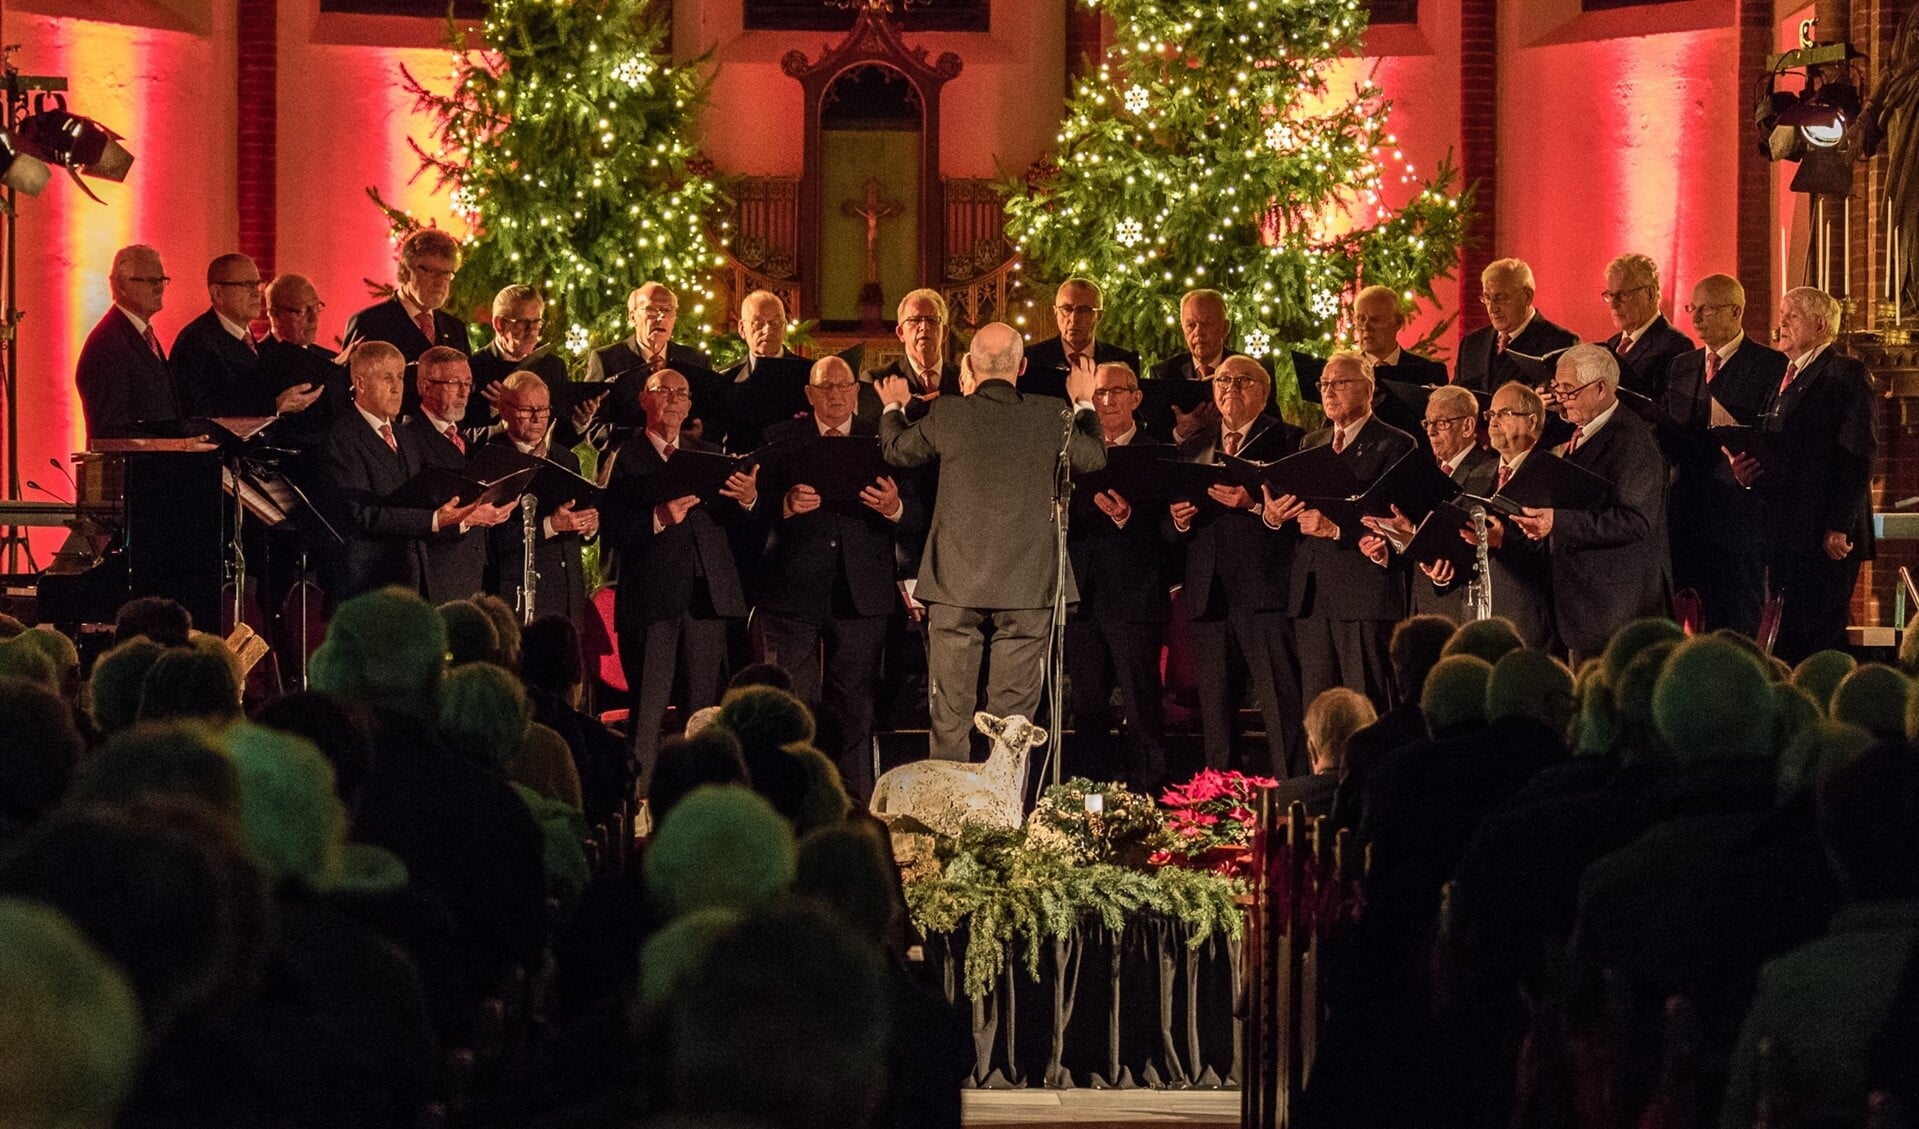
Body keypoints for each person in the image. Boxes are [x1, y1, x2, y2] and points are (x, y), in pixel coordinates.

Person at [876, 322, 1105, 762]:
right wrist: (1083, 400)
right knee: (1012, 722)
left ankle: (948, 819)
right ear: (1021, 367)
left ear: (969, 366)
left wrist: (892, 407)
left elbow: (897, 450)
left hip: (955, 582)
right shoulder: (1050, 413)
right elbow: (1093, 456)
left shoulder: (948, 413)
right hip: (1027, 584)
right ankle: (1003, 818)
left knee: (949, 715)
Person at [755, 355, 917, 799]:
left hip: (861, 591)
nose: (835, 395)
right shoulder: (780, 440)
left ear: (856, 392)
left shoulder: (882, 441)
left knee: (855, 710)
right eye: (825, 388)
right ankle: (794, 803)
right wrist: (784, 504)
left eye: (843, 387)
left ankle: (855, 807)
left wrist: (894, 508)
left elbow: (918, 510)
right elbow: (748, 512)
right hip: (792, 591)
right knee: (794, 708)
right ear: (809, 395)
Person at [600, 367, 762, 780]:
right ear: (644, 400)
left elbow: (734, 522)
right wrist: (658, 517)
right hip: (653, 599)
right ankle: (635, 804)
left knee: (703, 710)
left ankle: (699, 797)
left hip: (707, 596)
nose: (673, 399)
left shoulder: (708, 453)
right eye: (663, 391)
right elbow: (612, 528)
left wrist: (748, 500)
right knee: (649, 709)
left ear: (691, 405)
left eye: (681, 393)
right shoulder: (624, 456)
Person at [1169, 354, 1306, 776]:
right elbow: (1168, 511)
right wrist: (1177, 520)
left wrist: (1253, 506)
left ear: (1263, 394)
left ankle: (1289, 795)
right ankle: (1219, 800)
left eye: (1243, 381)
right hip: (1208, 591)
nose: (1230, 388)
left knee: (1280, 703)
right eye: (1223, 380)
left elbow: (1298, 519)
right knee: (1216, 711)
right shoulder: (1192, 445)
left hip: (1264, 589)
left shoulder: (1288, 441)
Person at [1269, 352, 1417, 710]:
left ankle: (1371, 768)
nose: (1329, 391)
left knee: (1367, 705)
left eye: (1341, 383)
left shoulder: (1396, 444)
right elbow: (1297, 510)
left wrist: (1337, 530)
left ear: (1369, 389)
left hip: (1362, 593)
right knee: (1320, 708)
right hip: (1312, 594)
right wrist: (1273, 515)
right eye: (1324, 384)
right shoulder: (1311, 443)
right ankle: (1326, 769)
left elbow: (1393, 518)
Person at [1511, 344, 1671, 664]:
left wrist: (1557, 522)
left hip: (1618, 615)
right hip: (1587, 610)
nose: (1561, 400)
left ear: (1600, 388)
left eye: (1569, 390)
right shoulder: (1585, 431)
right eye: (1558, 388)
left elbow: (1636, 520)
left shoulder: (1632, 440)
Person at [313, 341, 508, 600]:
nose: (397, 388)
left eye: (401, 377)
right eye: (386, 378)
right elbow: (362, 515)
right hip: (369, 588)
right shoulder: (341, 438)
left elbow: (419, 500)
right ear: (360, 384)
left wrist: (461, 516)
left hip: (413, 583)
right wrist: (436, 519)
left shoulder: (402, 436)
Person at [1748, 286, 1876, 662]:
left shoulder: (1844, 373)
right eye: (1782, 314)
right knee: (1787, 640)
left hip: (1825, 534)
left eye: (1792, 316)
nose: (1780, 323)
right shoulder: (1782, 377)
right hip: (1788, 529)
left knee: (1819, 639)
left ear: (1820, 326)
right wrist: (1748, 469)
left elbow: (1858, 454)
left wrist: (1839, 523)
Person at [1064, 362, 1171, 791]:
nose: (1106, 401)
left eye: (1115, 392)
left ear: (1135, 398)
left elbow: (1169, 528)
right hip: (1083, 595)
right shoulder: (1073, 450)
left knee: (1141, 701)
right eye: (1099, 393)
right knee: (1087, 705)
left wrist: (1130, 516)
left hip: (1134, 594)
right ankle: (1090, 799)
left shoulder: (1155, 451)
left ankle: (1150, 793)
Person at [1661, 273, 1787, 635]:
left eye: (1707, 309)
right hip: (1685, 513)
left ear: (1736, 311)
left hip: (1737, 519)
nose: (1696, 318)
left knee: (1736, 623)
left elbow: (1771, 441)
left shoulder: (1769, 366)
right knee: (1683, 624)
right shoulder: (1682, 366)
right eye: (1692, 308)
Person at [1371, 384, 1500, 624]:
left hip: (1462, 608)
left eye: (1441, 423)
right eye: (1427, 424)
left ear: (1468, 426)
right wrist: (1401, 539)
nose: (1430, 432)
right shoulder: (1422, 474)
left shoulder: (1487, 472)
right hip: (1423, 604)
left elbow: (1476, 547)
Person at [486, 372, 597, 630]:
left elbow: (577, 516)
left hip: (566, 594)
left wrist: (589, 525)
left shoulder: (565, 457)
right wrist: (550, 525)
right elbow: (493, 539)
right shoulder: (493, 458)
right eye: (527, 410)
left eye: (544, 409)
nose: (537, 418)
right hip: (518, 596)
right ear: (504, 409)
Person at [406, 346, 513, 601]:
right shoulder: (409, 439)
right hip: (435, 581)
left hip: (474, 578)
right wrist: (470, 518)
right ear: (425, 386)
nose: (464, 392)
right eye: (454, 383)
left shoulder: (465, 440)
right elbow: (414, 516)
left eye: (468, 383)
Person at [170, 252, 322, 422]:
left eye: (257, 284)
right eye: (247, 285)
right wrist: (273, 406)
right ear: (218, 293)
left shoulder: (246, 337)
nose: (257, 293)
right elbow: (197, 414)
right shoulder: (196, 343)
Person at [339, 227, 470, 394]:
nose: (441, 283)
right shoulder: (370, 322)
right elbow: (350, 390)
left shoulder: (455, 328)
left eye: (446, 274)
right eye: (432, 272)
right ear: (408, 271)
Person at [585, 281, 719, 440]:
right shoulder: (606, 359)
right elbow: (591, 424)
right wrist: (645, 438)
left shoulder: (696, 361)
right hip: (626, 459)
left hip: (683, 458)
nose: (661, 317)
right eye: (651, 309)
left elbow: (713, 420)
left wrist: (696, 435)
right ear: (632, 316)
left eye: (667, 310)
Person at [76, 244, 181, 440]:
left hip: (159, 465)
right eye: (151, 281)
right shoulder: (107, 345)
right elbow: (110, 431)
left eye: (162, 280)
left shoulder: (142, 334)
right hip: (132, 468)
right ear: (121, 286)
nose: (159, 288)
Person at [466, 284, 594, 439]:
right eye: (523, 323)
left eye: (536, 322)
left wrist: (579, 422)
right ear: (499, 324)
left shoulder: (553, 366)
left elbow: (560, 441)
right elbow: (460, 437)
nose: (532, 332)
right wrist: (495, 411)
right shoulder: (473, 368)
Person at [1453, 257, 1579, 393]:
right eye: (1487, 298)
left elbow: (1570, 406)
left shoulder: (1561, 343)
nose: (1492, 308)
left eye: (1501, 298)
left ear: (1527, 296)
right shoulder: (1472, 343)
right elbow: (1457, 399)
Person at [1350, 283, 1448, 441]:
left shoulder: (1428, 372)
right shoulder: (1344, 373)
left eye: (1374, 320)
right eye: (1360, 319)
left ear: (1397, 323)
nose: (1366, 327)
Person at [257, 273, 349, 439]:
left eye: (316, 308)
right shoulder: (256, 360)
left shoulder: (330, 359)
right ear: (274, 314)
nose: (313, 319)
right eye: (302, 311)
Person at [1022, 278, 1142, 403]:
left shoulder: (1123, 361)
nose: (1073, 319)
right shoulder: (1032, 360)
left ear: (1099, 315)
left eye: (1083, 310)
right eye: (1066, 309)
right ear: (1056, 312)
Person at [1145, 288, 1244, 439]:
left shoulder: (1250, 370)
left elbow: (1272, 432)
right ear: (1182, 329)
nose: (1198, 332)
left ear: (1225, 328)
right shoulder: (1164, 374)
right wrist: (1180, 432)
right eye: (1191, 325)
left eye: (1207, 323)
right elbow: (1155, 438)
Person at [1599, 252, 1693, 401]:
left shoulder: (1677, 346)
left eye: (1623, 295)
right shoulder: (1610, 344)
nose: (1613, 305)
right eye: (1610, 295)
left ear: (1650, 294)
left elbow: (1669, 414)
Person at [859, 288, 959, 425]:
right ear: (900, 333)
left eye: (932, 320)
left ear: (945, 332)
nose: (924, 326)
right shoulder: (878, 381)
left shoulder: (964, 379)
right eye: (915, 320)